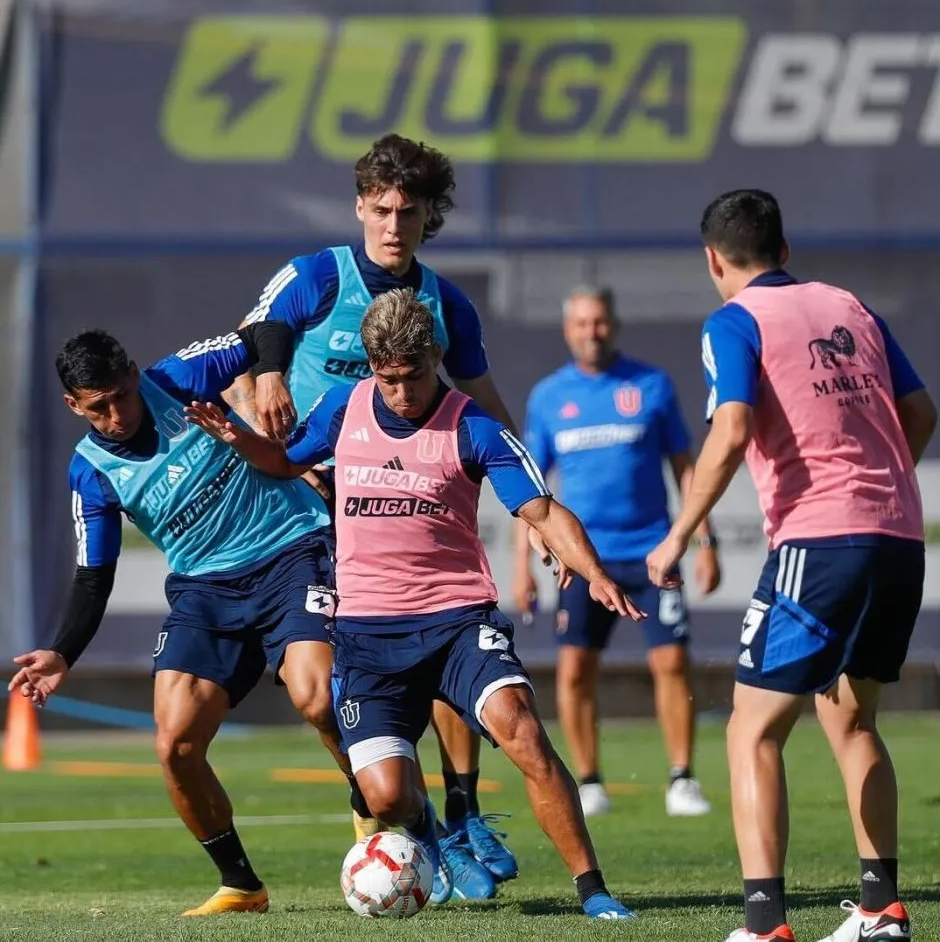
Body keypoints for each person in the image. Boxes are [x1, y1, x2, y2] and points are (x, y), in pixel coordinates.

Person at [186, 287, 643, 919]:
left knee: (523, 731)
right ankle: (432, 832)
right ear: (372, 368)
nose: (402, 392)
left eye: (414, 376)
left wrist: (594, 573)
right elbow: (285, 463)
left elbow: (544, 510)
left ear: (435, 359)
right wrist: (236, 436)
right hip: (367, 633)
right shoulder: (343, 407)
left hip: (458, 621)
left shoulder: (474, 427)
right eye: (389, 379)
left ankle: (594, 892)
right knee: (384, 797)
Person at [222, 133, 518, 890]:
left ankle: (459, 814)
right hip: (308, 517)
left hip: (404, 508)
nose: (393, 224)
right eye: (380, 209)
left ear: (428, 217)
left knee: (445, 646)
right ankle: (399, 811)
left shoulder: (446, 304)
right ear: (359, 207)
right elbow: (256, 335)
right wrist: (267, 376)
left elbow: (482, 401)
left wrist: (531, 496)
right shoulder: (318, 276)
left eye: (407, 212)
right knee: (316, 692)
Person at [645, 190, 937, 942]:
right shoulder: (850, 306)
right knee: (853, 720)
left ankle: (764, 924)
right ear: (784, 248)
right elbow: (922, 412)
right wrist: (876, 487)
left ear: (713, 260)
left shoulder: (733, 320)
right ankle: (881, 911)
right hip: (898, 539)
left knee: (752, 731)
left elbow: (733, 425)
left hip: (819, 545)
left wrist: (679, 534)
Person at [8, 323, 347, 916]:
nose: (116, 415)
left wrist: (269, 377)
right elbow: (94, 575)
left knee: (317, 697)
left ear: (133, 374)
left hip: (291, 549)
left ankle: (376, 808)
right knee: (175, 745)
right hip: (204, 591)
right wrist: (63, 652)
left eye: (121, 395)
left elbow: (267, 331)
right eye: (98, 407)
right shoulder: (91, 471)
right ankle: (242, 886)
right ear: (73, 406)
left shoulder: (179, 378)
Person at [512, 285, 721, 818]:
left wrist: (705, 540)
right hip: (583, 561)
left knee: (671, 662)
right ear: (568, 330)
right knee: (575, 669)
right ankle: (589, 782)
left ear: (615, 325)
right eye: (582, 323)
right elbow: (529, 493)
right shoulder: (548, 397)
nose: (592, 332)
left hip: (652, 552)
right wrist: (522, 569)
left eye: (600, 322)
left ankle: (682, 779)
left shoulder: (652, 385)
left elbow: (686, 468)